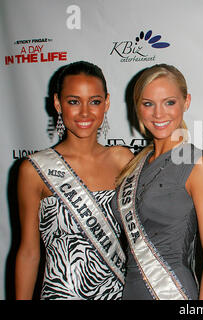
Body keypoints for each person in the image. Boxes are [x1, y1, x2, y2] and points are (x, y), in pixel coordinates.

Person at [15, 61, 134, 300]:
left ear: (106, 103)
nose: (85, 112)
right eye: (73, 101)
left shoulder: (123, 159)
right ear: (58, 103)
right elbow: (29, 252)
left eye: (95, 101)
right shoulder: (35, 169)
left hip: (119, 293)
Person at [112, 64, 203, 300]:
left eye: (169, 102)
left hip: (172, 292)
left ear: (186, 102)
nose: (158, 114)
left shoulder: (199, 164)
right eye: (148, 103)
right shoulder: (135, 165)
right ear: (138, 108)